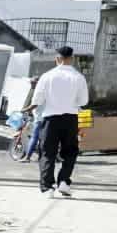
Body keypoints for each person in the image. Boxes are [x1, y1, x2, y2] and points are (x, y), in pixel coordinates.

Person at [30, 46, 88, 197]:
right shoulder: (79, 77)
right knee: (70, 152)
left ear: (57, 59)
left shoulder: (47, 76)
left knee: (47, 152)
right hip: (71, 119)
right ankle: (63, 182)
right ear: (72, 59)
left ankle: (47, 188)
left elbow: (37, 99)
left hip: (50, 119)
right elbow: (83, 101)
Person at [20, 77, 44, 162]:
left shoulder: (38, 91)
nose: (32, 84)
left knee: (34, 137)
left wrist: (25, 110)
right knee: (41, 138)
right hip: (43, 117)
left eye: (33, 83)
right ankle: (40, 157)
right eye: (31, 82)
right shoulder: (40, 90)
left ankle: (27, 157)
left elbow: (34, 104)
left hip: (39, 118)